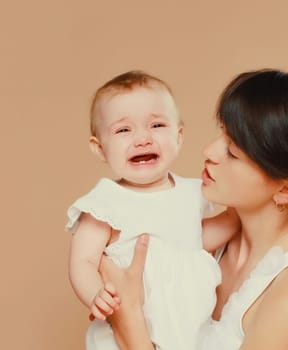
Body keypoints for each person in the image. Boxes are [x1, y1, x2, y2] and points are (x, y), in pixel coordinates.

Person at [99, 69, 288, 350]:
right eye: (222, 134)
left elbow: (136, 323)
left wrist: (130, 324)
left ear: (286, 190)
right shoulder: (208, 244)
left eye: (233, 152)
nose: (209, 152)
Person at [66, 70, 238, 350]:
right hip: (129, 324)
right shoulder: (105, 201)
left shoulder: (191, 191)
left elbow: (196, 238)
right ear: (99, 149)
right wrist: (96, 294)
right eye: (124, 130)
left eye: (156, 126)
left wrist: (234, 218)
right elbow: (83, 261)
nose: (143, 139)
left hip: (188, 322)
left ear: (179, 136)